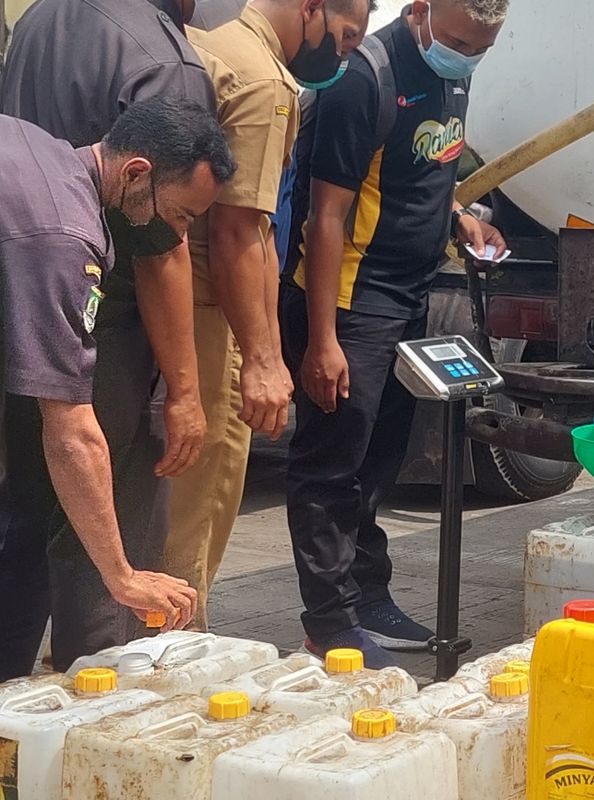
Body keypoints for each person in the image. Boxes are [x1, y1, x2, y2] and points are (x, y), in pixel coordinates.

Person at [280, 0, 507, 666]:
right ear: (419, 11)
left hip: (409, 295)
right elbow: (326, 216)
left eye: (483, 48)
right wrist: (322, 338)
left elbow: (419, 162)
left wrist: (459, 216)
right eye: (460, 40)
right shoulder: (363, 78)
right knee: (331, 464)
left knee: (381, 461)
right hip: (352, 300)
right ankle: (327, 622)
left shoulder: (453, 67)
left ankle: (366, 596)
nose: (467, 55)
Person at [0, 0, 220, 667]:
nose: (178, 237)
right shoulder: (65, 237)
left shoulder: (38, 148)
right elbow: (70, 431)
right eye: (179, 217)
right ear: (136, 173)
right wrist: (123, 575)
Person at [166, 0, 373, 630]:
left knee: (160, 496)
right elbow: (238, 231)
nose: (341, 57)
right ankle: (170, 652)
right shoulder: (264, 81)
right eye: (342, 39)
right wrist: (261, 358)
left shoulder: (207, 45)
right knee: (197, 506)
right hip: (209, 313)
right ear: (311, 9)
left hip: (173, 305)